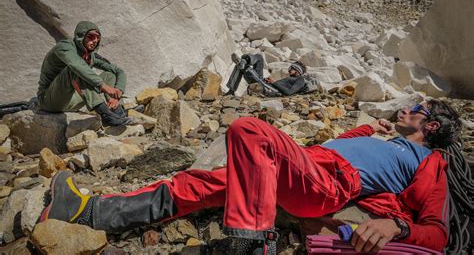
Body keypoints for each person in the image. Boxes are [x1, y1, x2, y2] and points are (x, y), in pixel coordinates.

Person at [40, 99, 460, 254]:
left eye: (418, 109)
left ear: (432, 127)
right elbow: (338, 143)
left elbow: (436, 232)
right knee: (205, 183)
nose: (406, 108)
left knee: (248, 129)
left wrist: (396, 223)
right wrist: (369, 130)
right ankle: (90, 212)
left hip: (328, 185)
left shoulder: (429, 162)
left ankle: (253, 242)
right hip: (302, 168)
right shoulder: (385, 138)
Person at [37, 21, 131, 126]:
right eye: (91, 37)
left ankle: (117, 111)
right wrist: (103, 86)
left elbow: (118, 71)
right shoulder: (64, 47)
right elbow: (78, 66)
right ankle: (105, 114)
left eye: (97, 38)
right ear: (81, 36)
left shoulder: (91, 56)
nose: (95, 41)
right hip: (49, 100)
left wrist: (117, 92)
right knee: (75, 70)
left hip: (73, 102)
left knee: (110, 74)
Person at [226, 53, 308, 96]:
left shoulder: (300, 80)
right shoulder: (291, 78)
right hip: (266, 84)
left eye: (292, 68)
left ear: (298, 71)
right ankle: (246, 60)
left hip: (266, 88)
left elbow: (289, 92)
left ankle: (231, 91)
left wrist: (274, 82)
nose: (289, 70)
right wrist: (271, 82)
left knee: (245, 68)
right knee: (259, 57)